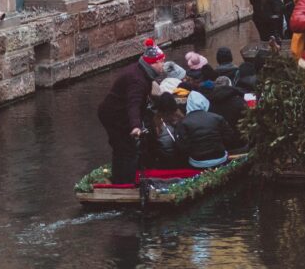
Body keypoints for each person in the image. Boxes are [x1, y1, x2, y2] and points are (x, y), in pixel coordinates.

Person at [96, 38, 165, 184]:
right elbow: (133, 104)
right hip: (114, 117)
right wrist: (135, 126)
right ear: (154, 63)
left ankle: (119, 180)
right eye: (162, 62)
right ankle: (125, 183)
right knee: (128, 150)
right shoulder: (138, 80)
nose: (163, 65)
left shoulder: (142, 72)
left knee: (121, 148)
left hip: (118, 114)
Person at [175, 91, 240, 168]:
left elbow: (182, 146)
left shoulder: (183, 122)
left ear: (188, 105)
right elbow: (229, 137)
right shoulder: (217, 117)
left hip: (197, 161)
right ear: (205, 102)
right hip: (220, 157)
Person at [200, 76, 249, 147]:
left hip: (219, 143)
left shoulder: (207, 103)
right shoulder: (241, 101)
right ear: (230, 85)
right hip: (241, 142)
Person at [148, 93, 185, 169]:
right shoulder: (181, 116)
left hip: (163, 158)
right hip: (180, 156)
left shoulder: (156, 120)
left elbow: (155, 139)